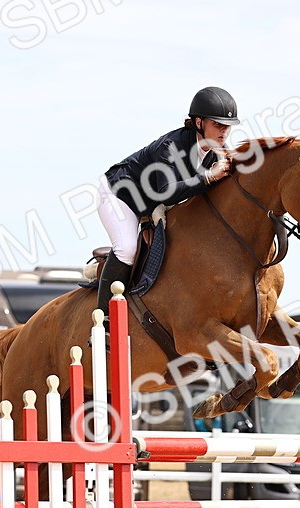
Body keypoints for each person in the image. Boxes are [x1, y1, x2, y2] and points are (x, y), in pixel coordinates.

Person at [94, 86, 240, 330]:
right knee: (127, 249)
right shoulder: (172, 146)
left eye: (228, 126)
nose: (224, 131)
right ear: (199, 122)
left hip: (150, 203)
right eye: (218, 124)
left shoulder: (215, 154)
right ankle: (103, 320)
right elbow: (166, 191)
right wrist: (208, 178)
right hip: (119, 194)